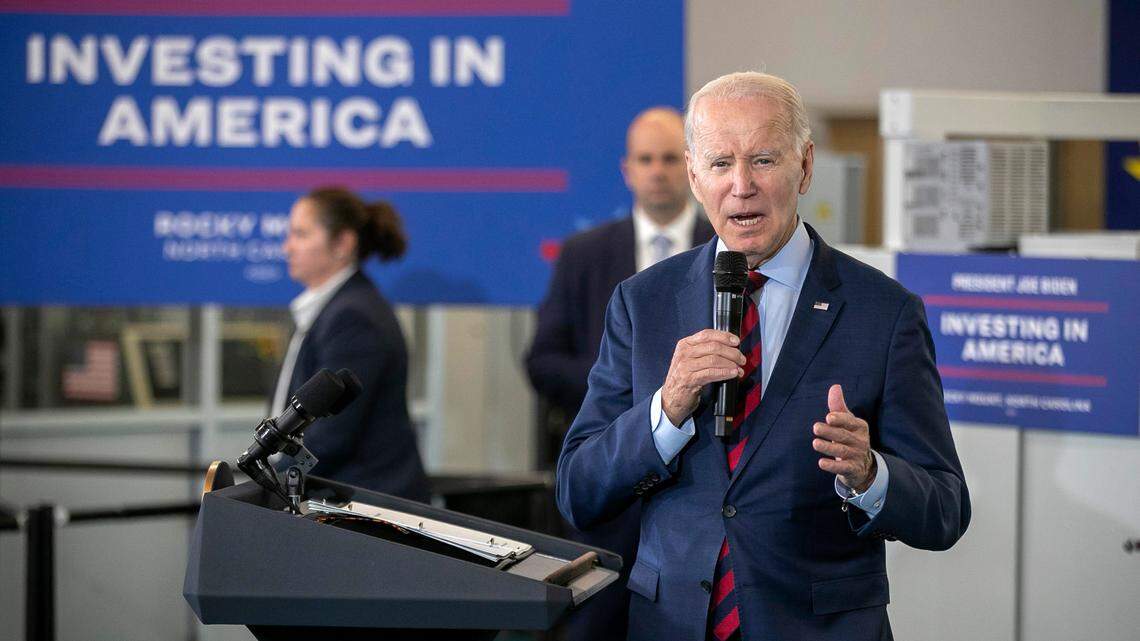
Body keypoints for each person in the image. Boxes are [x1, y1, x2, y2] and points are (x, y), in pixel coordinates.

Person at [555, 72, 970, 641]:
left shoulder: (884, 312)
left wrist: (870, 474)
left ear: (805, 166)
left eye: (764, 160)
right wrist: (665, 412)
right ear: (695, 175)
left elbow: (946, 509)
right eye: (721, 163)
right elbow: (578, 491)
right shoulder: (642, 302)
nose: (742, 185)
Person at [526, 107, 714, 641]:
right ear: (627, 170)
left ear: (692, 166)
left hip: (700, 483)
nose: (658, 171)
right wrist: (635, 400)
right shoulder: (584, 254)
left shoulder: (730, 247)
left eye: (670, 158)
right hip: (605, 477)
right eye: (646, 159)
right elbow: (542, 359)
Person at [273, 187, 430, 503]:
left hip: (362, 508)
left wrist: (270, 484)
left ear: (343, 244)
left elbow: (330, 435)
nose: (287, 247)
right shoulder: (334, 308)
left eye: (301, 234)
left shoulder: (353, 317)